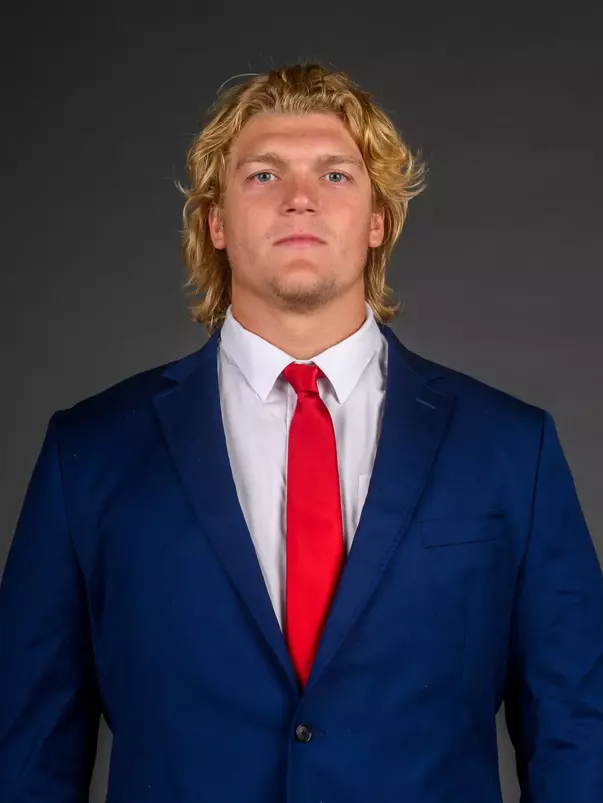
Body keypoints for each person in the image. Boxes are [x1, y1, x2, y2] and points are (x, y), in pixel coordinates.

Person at [1, 62, 602, 803]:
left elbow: (578, 736)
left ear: (377, 219)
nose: (298, 200)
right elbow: (27, 752)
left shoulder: (513, 449)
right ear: (215, 220)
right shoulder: (88, 452)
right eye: (261, 175)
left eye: (335, 176)